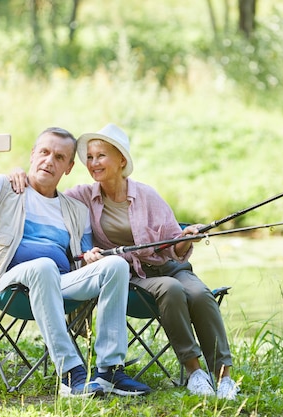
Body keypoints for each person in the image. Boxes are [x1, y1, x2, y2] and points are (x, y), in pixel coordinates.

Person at [0, 127, 151, 398]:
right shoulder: (3, 187)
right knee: (43, 265)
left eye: (59, 157)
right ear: (33, 154)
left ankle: (109, 371)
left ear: (68, 167)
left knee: (115, 265)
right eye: (44, 152)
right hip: (6, 282)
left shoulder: (75, 210)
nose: (49, 160)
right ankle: (71, 373)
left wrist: (91, 258)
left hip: (58, 283)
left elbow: (81, 260)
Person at [58, 123, 239, 399]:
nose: (93, 163)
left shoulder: (147, 195)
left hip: (168, 267)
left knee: (200, 294)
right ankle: (195, 373)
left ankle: (224, 377)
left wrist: (188, 236)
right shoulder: (82, 196)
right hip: (132, 277)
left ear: (121, 160)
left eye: (101, 156)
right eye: (90, 157)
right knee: (171, 289)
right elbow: (46, 194)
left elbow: (173, 245)